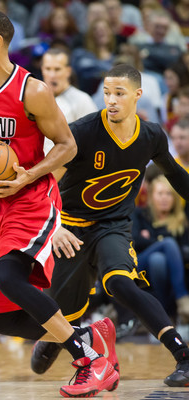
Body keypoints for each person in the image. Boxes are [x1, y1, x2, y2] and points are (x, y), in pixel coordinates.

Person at [0, 10, 120, 397]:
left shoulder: (33, 91)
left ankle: (89, 360)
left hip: (30, 198)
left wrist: (27, 174)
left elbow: (67, 146)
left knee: (10, 277)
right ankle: (92, 335)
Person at [29, 64, 189, 388]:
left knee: (121, 283)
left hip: (112, 225)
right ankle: (60, 335)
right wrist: (52, 224)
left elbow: (173, 172)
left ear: (137, 96)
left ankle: (182, 355)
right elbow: (47, 181)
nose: (111, 100)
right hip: (70, 228)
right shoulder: (83, 131)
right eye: (106, 93)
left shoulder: (151, 135)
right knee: (60, 320)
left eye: (119, 93)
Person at [131, 175, 189, 322]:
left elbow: (185, 252)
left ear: (174, 198)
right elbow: (134, 241)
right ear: (151, 196)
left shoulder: (181, 221)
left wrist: (149, 239)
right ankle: (182, 299)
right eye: (160, 193)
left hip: (165, 271)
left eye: (168, 194)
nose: (164, 198)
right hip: (138, 264)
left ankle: (162, 317)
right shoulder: (140, 214)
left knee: (157, 260)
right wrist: (162, 242)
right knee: (168, 243)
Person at [40, 47, 97, 154]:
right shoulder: (34, 99)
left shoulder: (82, 100)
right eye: (48, 69)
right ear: (42, 70)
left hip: (67, 167)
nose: (52, 75)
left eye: (57, 69)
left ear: (68, 71)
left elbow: (93, 140)